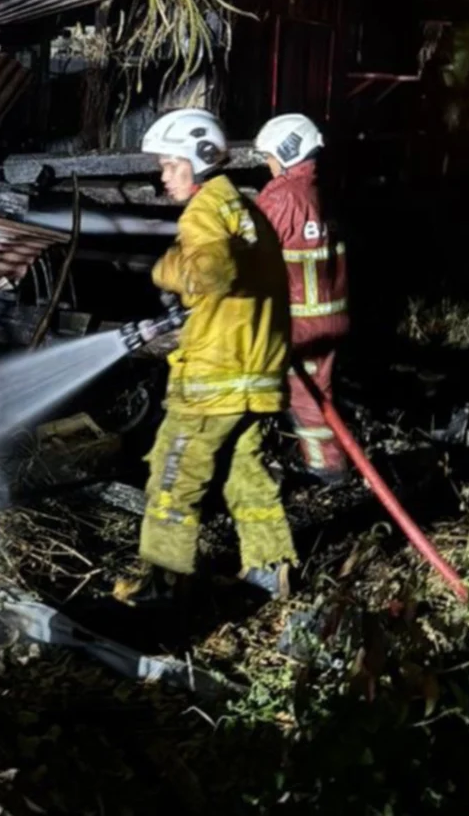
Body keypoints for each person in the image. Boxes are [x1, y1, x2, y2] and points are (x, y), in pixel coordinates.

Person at [114, 108, 299, 605]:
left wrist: (168, 269)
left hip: (214, 379)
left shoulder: (202, 212)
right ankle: (270, 569)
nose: (163, 175)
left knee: (174, 474)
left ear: (197, 161)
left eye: (170, 165)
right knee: (245, 473)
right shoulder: (243, 208)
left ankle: (161, 586)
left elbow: (212, 275)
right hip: (258, 371)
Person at [253, 113, 350, 486]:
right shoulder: (321, 191)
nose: (268, 165)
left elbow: (252, 247)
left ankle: (326, 469)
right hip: (331, 314)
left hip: (300, 318)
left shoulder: (282, 196)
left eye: (269, 157)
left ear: (286, 151)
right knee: (317, 389)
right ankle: (323, 457)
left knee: (304, 395)